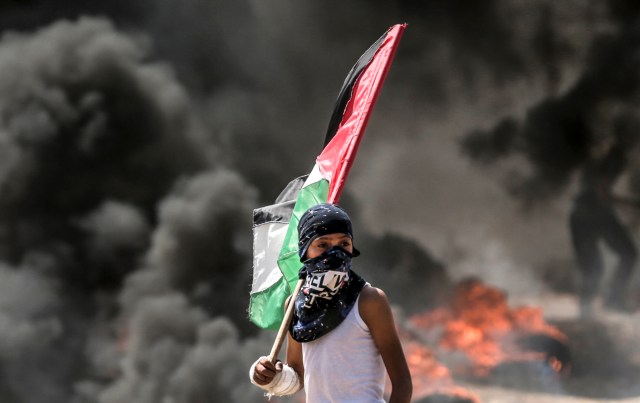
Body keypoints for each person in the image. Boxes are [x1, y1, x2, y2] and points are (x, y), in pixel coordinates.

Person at [250, 203, 412, 402]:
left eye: (344, 244)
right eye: (323, 244)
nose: (335, 253)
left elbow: (403, 383)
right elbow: (297, 375)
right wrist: (270, 376)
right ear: (304, 250)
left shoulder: (369, 300)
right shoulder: (295, 305)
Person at [569, 133, 638, 317]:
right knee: (598, 265)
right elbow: (603, 195)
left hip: (592, 217)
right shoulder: (608, 165)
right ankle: (593, 308)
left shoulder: (602, 165)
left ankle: (610, 301)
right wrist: (631, 204)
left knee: (625, 255)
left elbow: (603, 194)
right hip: (588, 218)